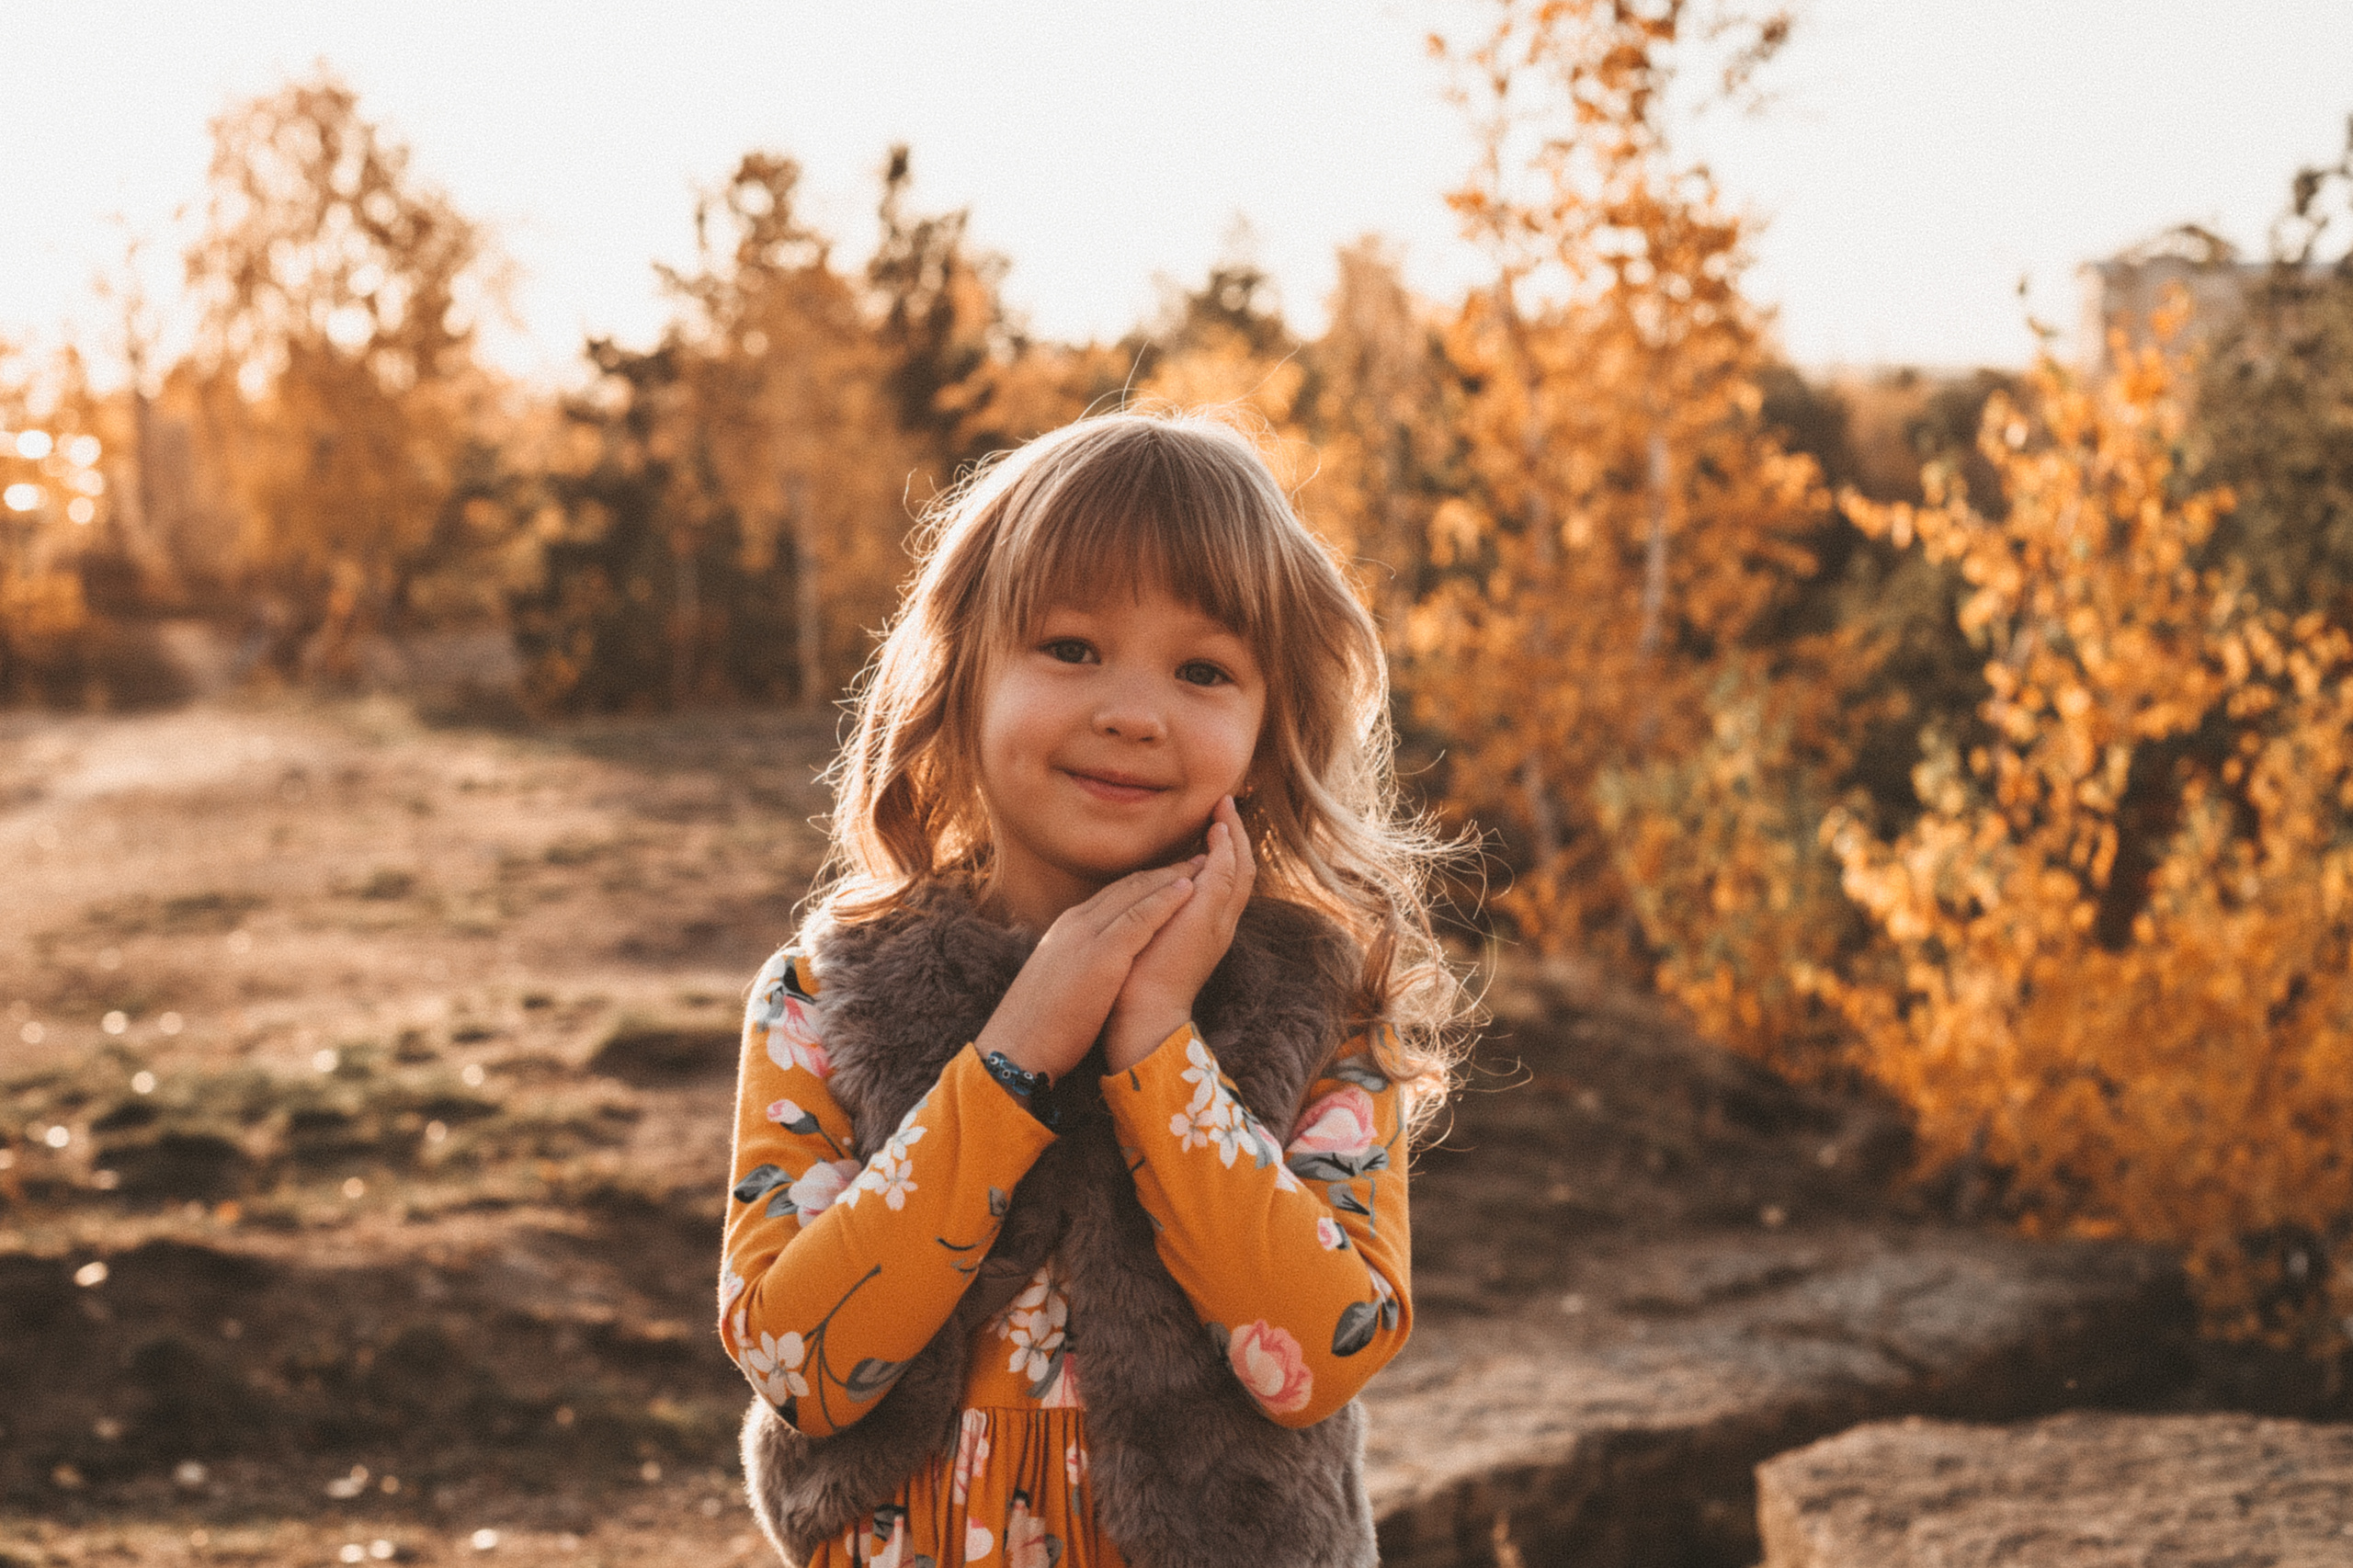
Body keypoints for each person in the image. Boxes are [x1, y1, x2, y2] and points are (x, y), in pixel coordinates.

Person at [720, 410, 1467, 1568]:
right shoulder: (825, 996)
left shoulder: (1323, 1007)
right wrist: (1017, 1050)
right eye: (1071, 647)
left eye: (1203, 669)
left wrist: (1155, 1043)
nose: (1133, 708)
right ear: (961, 672)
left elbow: (1319, 1352)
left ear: (1271, 734)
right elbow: (795, 1364)